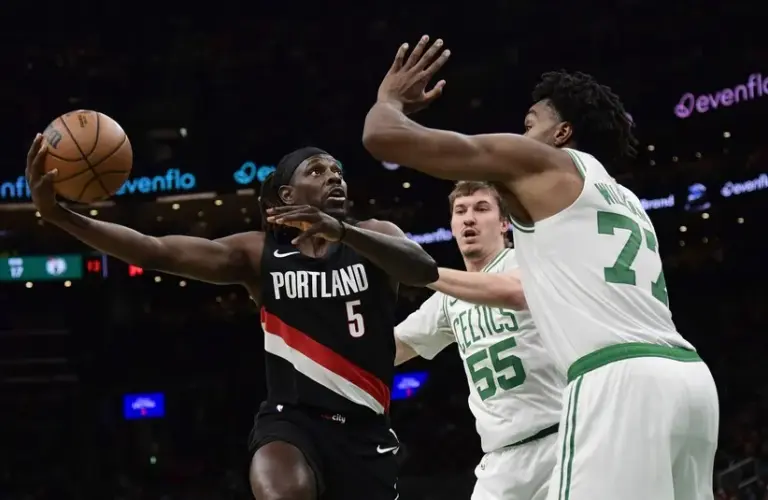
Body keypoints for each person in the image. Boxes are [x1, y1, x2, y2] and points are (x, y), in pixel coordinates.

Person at [363, 36, 719, 500]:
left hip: (617, 378)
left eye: (530, 124)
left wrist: (389, 99)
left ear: (562, 133)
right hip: (689, 379)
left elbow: (383, 137)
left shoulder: (544, 164)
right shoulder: (624, 198)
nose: (521, 136)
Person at [25, 137, 439, 500]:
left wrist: (343, 232)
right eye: (317, 170)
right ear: (286, 196)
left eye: (338, 171)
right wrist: (61, 215)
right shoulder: (258, 255)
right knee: (285, 489)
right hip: (292, 422)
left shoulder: (374, 234)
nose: (335, 177)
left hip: (365, 431)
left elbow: (424, 270)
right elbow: (152, 250)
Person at [395, 180, 563, 500]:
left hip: (563, 439)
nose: (469, 218)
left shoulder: (529, 261)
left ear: (504, 223)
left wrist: (422, 273)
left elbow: (516, 291)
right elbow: (391, 348)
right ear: (453, 225)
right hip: (501, 457)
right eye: (461, 211)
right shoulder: (450, 297)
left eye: (481, 209)